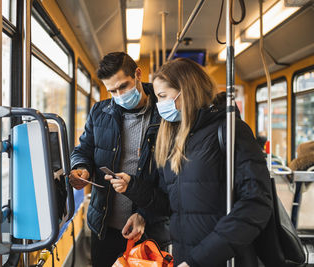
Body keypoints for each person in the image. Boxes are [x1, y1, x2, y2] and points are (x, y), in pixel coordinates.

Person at [107, 58, 273, 267]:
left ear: (186, 91)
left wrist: (199, 260)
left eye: (163, 96)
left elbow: (256, 204)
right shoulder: (173, 139)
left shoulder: (230, 131)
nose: (159, 106)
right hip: (185, 255)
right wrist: (133, 188)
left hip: (225, 258)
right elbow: (169, 202)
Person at [69, 52, 170, 267]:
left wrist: (145, 215)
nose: (119, 95)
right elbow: (83, 150)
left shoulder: (165, 114)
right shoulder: (100, 112)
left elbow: (169, 179)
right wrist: (82, 168)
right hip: (105, 228)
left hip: (148, 230)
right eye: (112, 91)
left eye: (123, 86)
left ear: (138, 74)